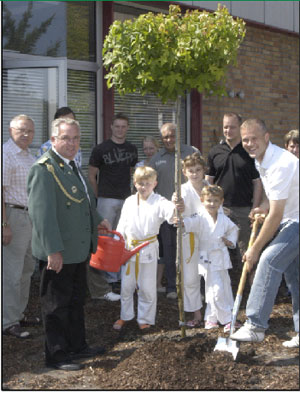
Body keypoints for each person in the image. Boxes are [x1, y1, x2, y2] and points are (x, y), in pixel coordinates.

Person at [27, 117, 111, 371]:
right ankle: (57, 354)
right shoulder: (44, 169)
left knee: (75, 301)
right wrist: (53, 250)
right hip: (59, 251)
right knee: (55, 305)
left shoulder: (71, 165)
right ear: (53, 140)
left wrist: (98, 219)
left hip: (77, 248)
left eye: (75, 138)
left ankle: (77, 346)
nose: (71, 143)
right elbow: (42, 215)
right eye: (65, 138)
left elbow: (83, 201)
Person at [230, 119, 299, 348]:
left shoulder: (281, 163)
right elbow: (276, 197)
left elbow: (277, 216)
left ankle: (256, 325)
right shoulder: (261, 160)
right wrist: (263, 206)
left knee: (268, 260)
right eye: (246, 139)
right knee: (295, 278)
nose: (250, 143)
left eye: (254, 138)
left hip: (295, 221)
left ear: (267, 137)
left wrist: (255, 249)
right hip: (290, 218)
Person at [112, 166, 180, 331]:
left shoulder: (159, 201)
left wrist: (176, 205)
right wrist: (117, 242)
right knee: (126, 286)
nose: (144, 187)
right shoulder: (129, 201)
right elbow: (122, 224)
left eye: (147, 183)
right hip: (129, 248)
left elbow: (170, 213)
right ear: (135, 183)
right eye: (141, 183)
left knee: (147, 287)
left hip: (148, 248)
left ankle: (145, 318)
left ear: (154, 184)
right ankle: (125, 315)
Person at [206, 112, 262, 279]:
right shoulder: (215, 151)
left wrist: (254, 208)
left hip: (244, 210)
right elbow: (208, 182)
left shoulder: (249, 152)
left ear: (240, 128)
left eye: (232, 127)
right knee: (218, 250)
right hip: (220, 210)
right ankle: (222, 289)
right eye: (225, 127)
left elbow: (257, 183)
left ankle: (252, 290)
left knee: (247, 251)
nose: (228, 130)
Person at [88, 113, 138, 299]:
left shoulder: (132, 149)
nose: (120, 129)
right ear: (111, 127)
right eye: (117, 126)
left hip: (126, 198)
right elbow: (92, 175)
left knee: (121, 237)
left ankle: (116, 276)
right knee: (104, 237)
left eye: (123, 126)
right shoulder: (101, 149)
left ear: (127, 128)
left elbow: (133, 173)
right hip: (106, 197)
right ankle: (104, 279)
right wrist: (96, 196)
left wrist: (133, 194)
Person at [149, 122, 199, 299]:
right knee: (169, 251)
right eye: (165, 137)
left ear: (178, 136)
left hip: (191, 212)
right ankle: (172, 286)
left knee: (191, 249)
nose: (169, 139)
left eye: (172, 136)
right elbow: (149, 187)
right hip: (166, 214)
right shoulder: (156, 158)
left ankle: (193, 288)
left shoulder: (191, 153)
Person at [181, 185, 239, 332]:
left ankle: (211, 318)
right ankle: (227, 319)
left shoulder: (223, 218)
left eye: (215, 201)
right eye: (209, 201)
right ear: (202, 200)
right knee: (216, 289)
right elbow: (187, 222)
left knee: (223, 287)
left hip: (221, 257)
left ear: (221, 202)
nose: (212, 204)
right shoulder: (199, 216)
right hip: (207, 258)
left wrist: (229, 241)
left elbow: (234, 229)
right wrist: (180, 222)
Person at [3, 114, 39, 339]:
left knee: (27, 269)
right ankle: (7, 321)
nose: (26, 135)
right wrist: (4, 224)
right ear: (10, 131)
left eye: (30, 131)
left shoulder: (28, 155)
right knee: (11, 272)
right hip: (13, 216)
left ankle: (19, 313)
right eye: (21, 130)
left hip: (29, 217)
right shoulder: (6, 155)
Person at [173, 152, 209, 327]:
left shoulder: (209, 187)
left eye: (198, 170)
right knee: (190, 277)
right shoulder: (181, 190)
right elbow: (175, 214)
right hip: (190, 238)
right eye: (191, 170)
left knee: (212, 275)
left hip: (209, 237)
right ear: (184, 172)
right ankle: (196, 312)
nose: (194, 174)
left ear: (204, 170)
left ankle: (214, 312)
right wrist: (176, 206)